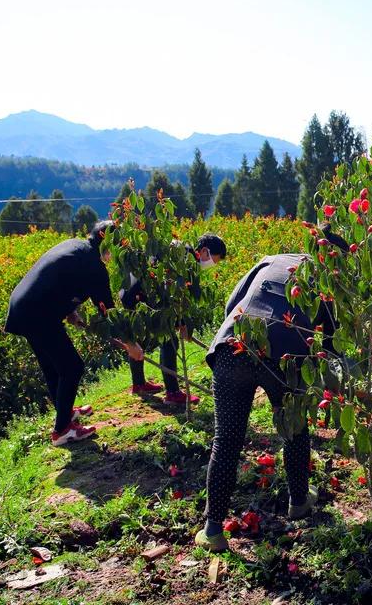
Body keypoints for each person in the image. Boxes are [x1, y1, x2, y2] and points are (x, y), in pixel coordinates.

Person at [194, 225, 345, 552]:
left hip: (232, 347)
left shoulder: (271, 260)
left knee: (227, 438)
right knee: (294, 428)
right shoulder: (325, 282)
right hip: (285, 358)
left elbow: (232, 306)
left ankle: (213, 530)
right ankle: (299, 502)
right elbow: (331, 344)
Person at [5, 220, 144, 446]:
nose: (116, 252)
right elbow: (108, 313)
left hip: (23, 309)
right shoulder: (94, 267)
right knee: (72, 367)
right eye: (116, 245)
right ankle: (62, 431)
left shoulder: (75, 247)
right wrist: (130, 343)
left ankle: (66, 414)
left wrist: (70, 310)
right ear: (104, 240)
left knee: (54, 366)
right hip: (39, 314)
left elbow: (59, 281)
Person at [121, 233, 227, 404]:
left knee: (141, 338)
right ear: (205, 251)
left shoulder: (182, 249)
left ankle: (139, 384)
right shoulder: (184, 256)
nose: (214, 264)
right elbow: (173, 296)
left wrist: (182, 323)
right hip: (140, 294)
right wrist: (181, 323)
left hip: (132, 294)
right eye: (216, 259)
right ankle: (173, 393)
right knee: (169, 341)